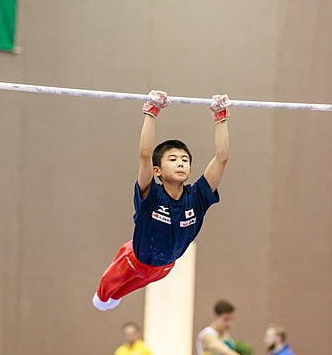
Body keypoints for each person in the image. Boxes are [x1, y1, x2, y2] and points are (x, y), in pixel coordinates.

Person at [93, 90, 230, 311]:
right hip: (132, 259)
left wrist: (220, 117)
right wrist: (151, 112)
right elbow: (145, 155)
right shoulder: (152, 195)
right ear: (157, 170)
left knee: (120, 294)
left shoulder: (197, 198)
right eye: (173, 159)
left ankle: (112, 299)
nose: (180, 163)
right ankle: (103, 297)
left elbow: (222, 158)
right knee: (103, 296)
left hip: (164, 268)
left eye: (185, 160)